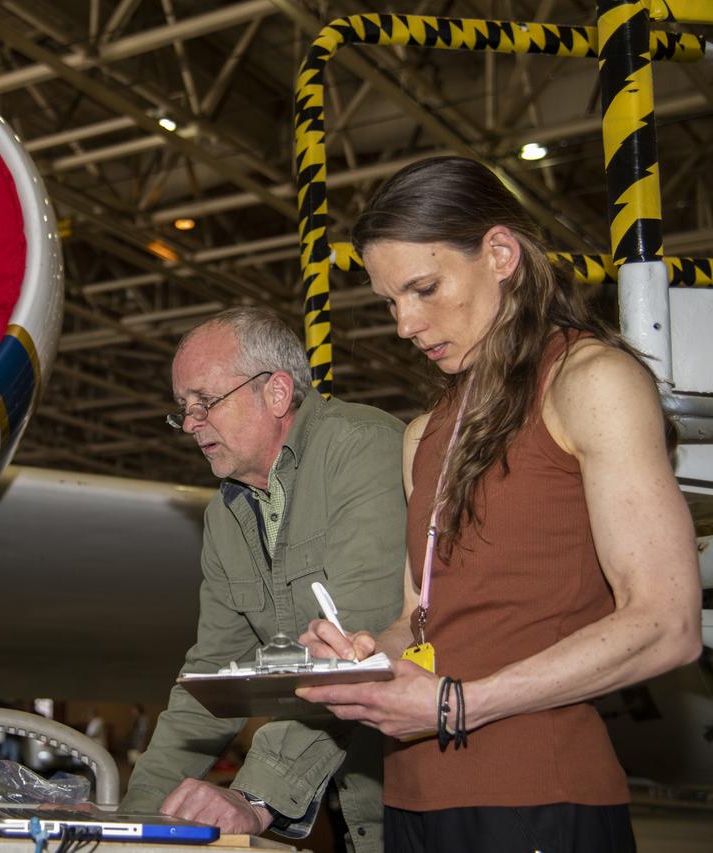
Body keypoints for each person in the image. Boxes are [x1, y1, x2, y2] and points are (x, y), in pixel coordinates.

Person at [296, 156, 703, 852]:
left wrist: (458, 703)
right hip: (414, 801)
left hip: (540, 798)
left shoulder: (589, 381)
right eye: (391, 301)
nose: (404, 323)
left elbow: (667, 621)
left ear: (501, 253)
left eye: (423, 289)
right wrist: (364, 656)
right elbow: (420, 619)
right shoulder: (424, 434)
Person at [119, 307, 406, 852]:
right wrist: (134, 825)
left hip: (427, 799)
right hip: (357, 811)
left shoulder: (362, 450)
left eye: (206, 402)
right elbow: (210, 676)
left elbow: (357, 653)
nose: (191, 423)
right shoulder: (226, 514)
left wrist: (253, 798)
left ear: (276, 393)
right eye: (183, 408)